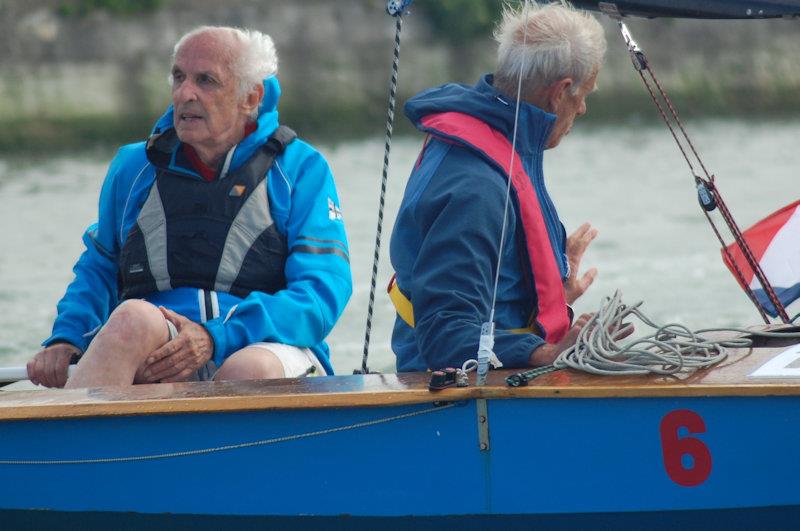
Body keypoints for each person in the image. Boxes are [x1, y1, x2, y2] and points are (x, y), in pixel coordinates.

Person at [27, 26, 352, 388]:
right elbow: (100, 267)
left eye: (206, 80)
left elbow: (322, 292)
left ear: (251, 96)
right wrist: (66, 338)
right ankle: (81, 443)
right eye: (178, 77)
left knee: (246, 372)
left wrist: (215, 336)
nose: (185, 93)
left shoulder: (301, 169)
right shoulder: (133, 167)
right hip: (163, 351)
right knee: (131, 318)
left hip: (268, 347)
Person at [389, 3, 608, 372]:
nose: (583, 108)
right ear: (560, 92)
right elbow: (448, 337)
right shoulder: (476, 188)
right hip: (455, 404)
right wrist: (546, 354)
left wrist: (556, 290)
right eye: (583, 94)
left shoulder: (495, 145)